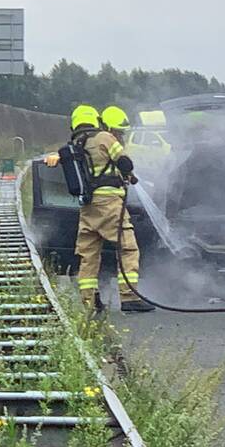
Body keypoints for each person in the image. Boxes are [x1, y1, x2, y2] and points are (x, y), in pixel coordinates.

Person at [69, 104, 154, 313]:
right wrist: (128, 172)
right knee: (127, 248)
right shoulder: (105, 138)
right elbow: (124, 162)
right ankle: (129, 296)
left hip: (88, 207)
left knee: (88, 254)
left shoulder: (77, 144)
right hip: (109, 204)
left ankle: (88, 302)